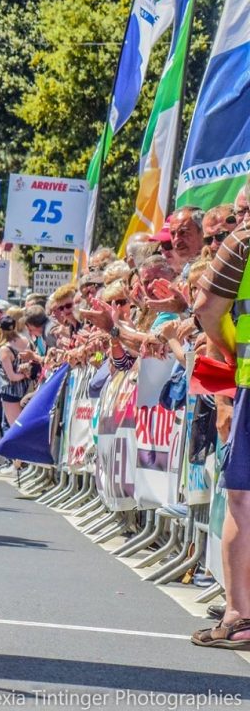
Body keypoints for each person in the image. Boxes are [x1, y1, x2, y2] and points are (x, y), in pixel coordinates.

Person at [192, 199, 250, 650]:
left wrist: (227, 349)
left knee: (241, 498)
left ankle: (239, 614)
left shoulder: (242, 242)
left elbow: (206, 305)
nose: (238, 217)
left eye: (244, 207)